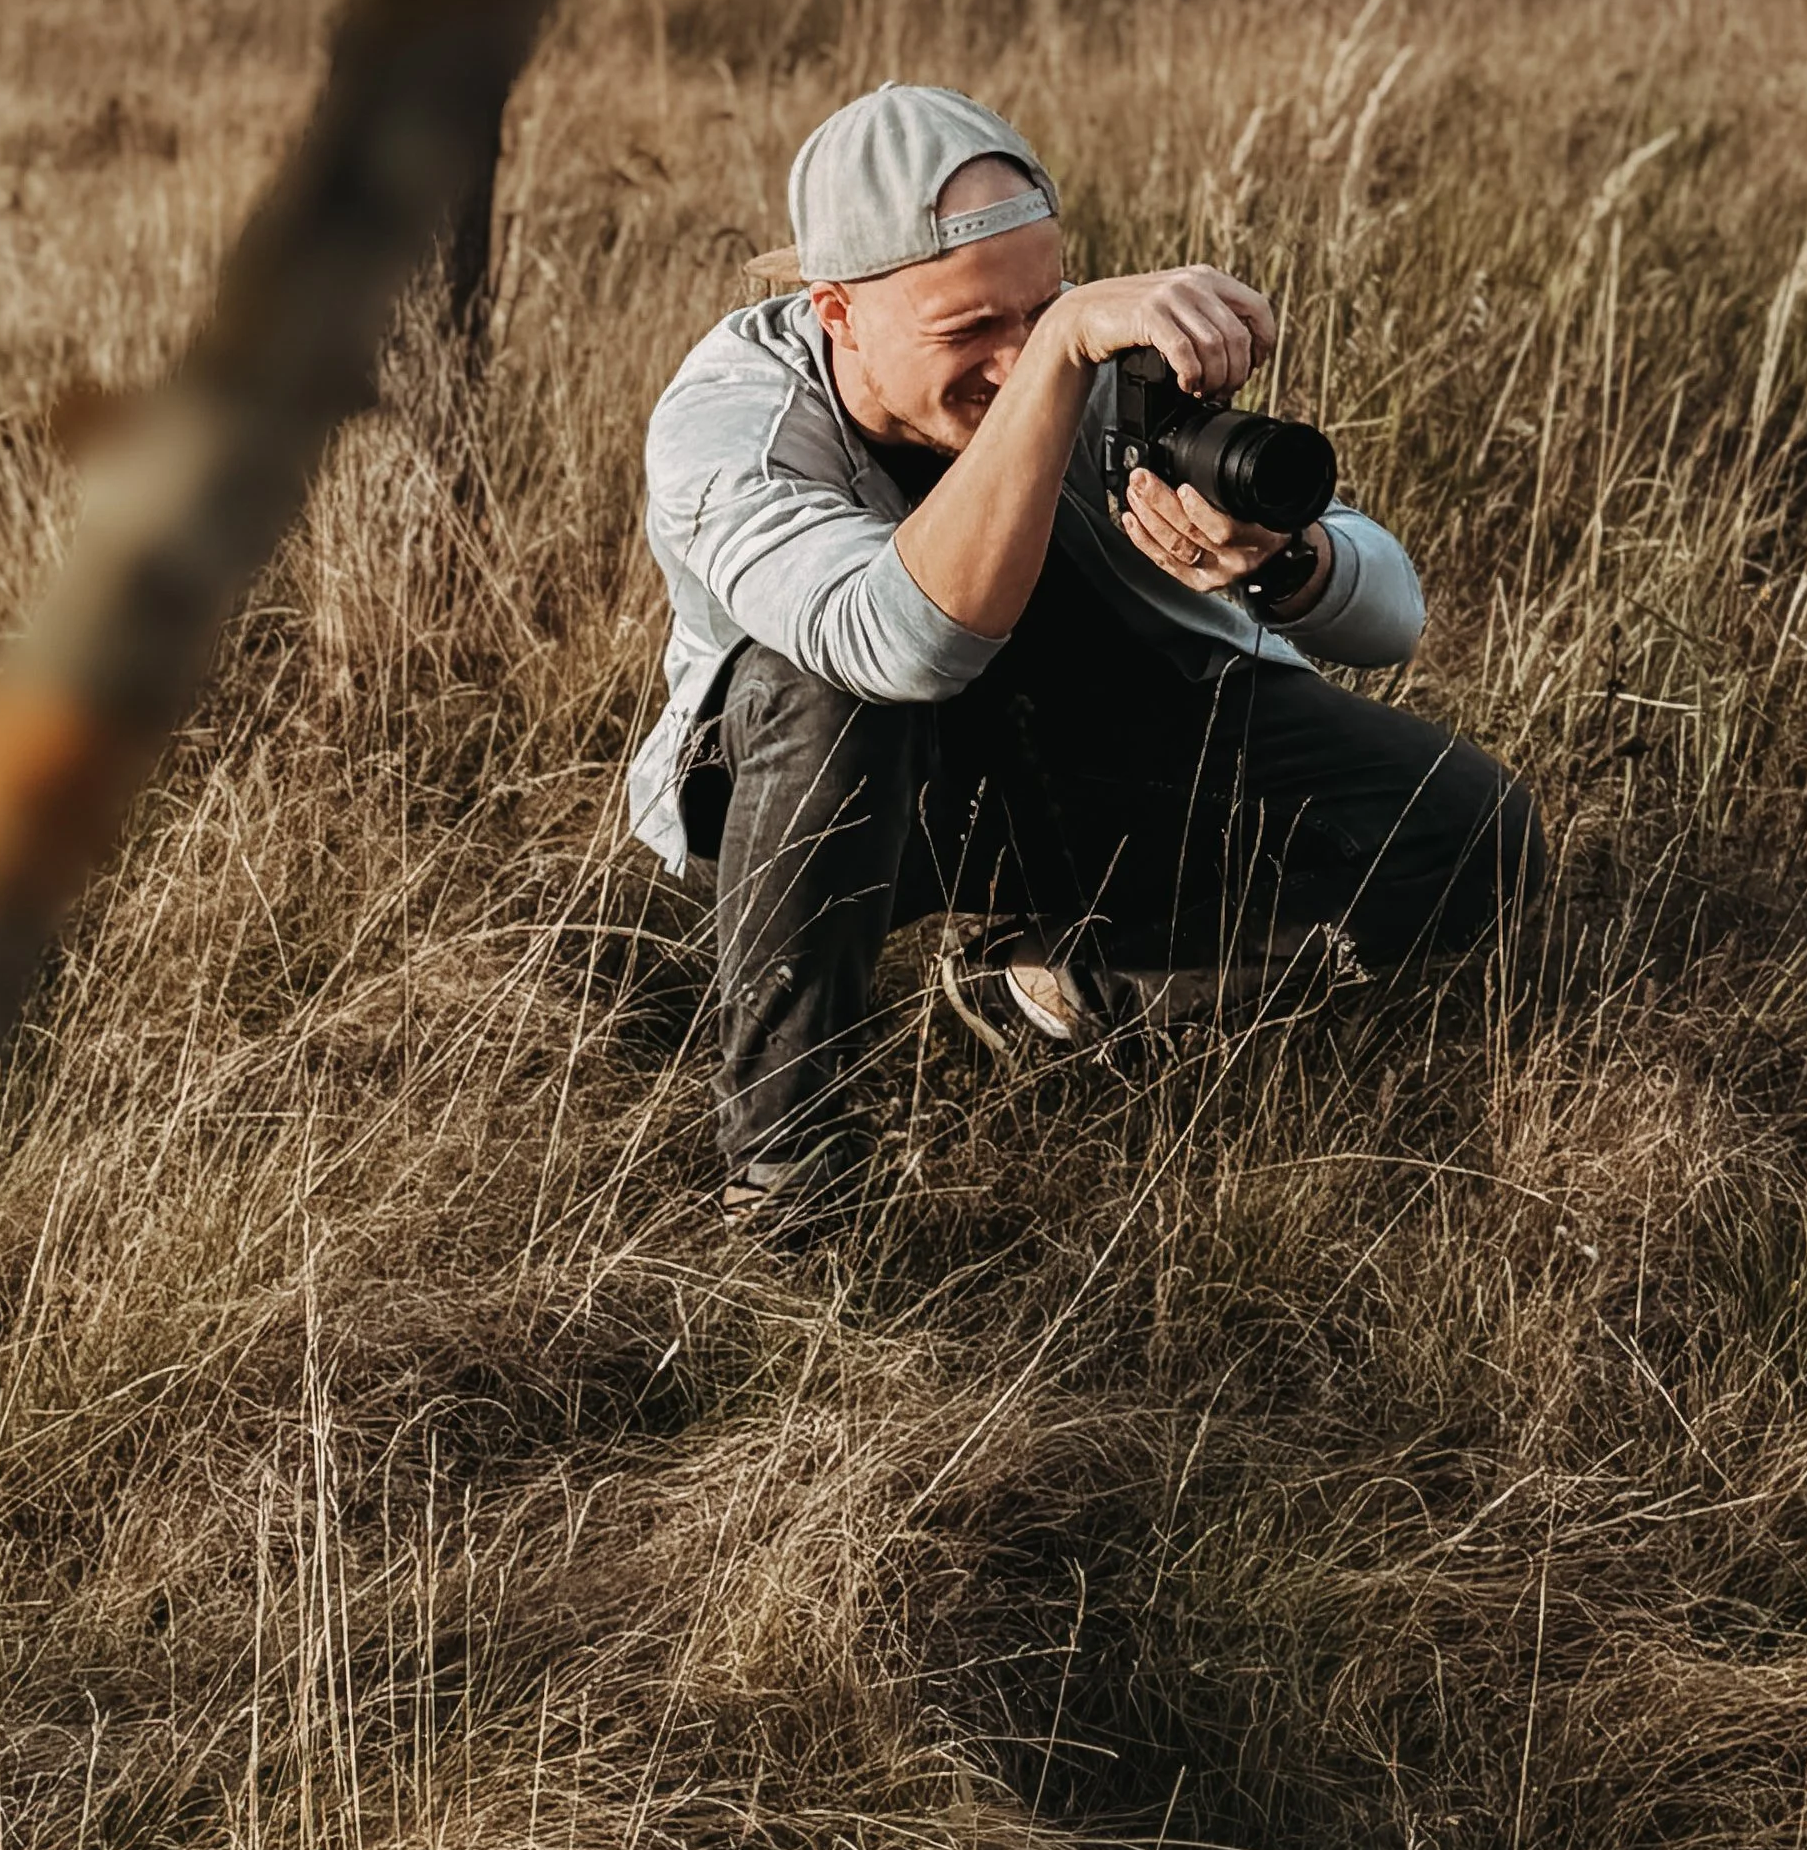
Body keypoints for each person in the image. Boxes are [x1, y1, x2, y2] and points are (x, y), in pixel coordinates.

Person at [626, 81, 1543, 1227]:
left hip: (1096, 745)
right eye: (967, 330)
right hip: (864, 798)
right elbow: (893, 646)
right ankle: (788, 1171)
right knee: (822, 683)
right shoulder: (734, 425)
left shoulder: (1104, 361)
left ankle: (1055, 987)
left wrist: (1280, 559)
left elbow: (1391, 619)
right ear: (836, 311)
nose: (1014, 360)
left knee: (1472, 831)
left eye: (1038, 306)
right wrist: (1063, 342)